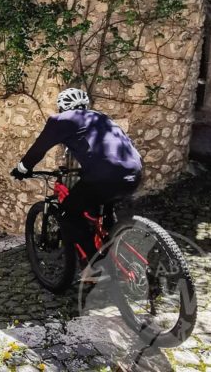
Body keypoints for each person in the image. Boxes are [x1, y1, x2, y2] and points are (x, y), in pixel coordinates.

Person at [11, 88, 142, 281]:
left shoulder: (61, 120)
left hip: (103, 175)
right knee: (102, 206)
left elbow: (38, 149)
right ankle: (112, 246)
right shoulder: (102, 118)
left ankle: (94, 266)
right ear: (85, 105)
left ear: (62, 107)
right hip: (134, 171)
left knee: (67, 213)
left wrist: (22, 168)